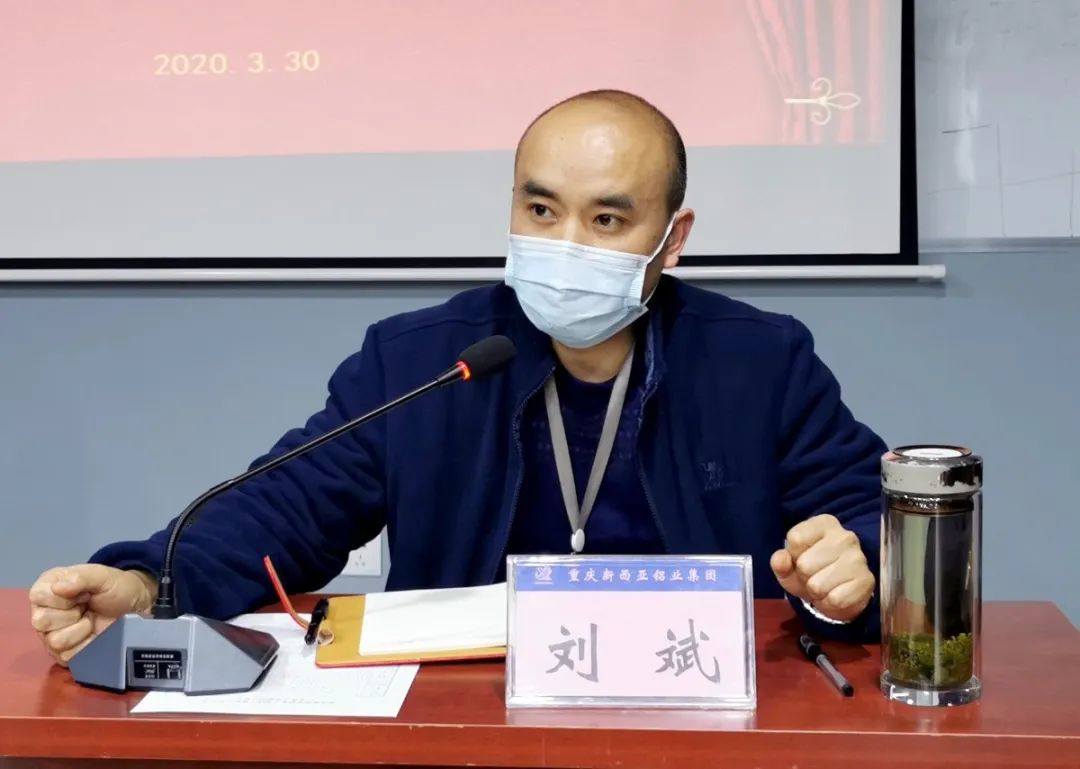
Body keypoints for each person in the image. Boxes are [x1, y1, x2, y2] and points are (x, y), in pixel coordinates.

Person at [29, 90, 885, 666]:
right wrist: (148, 583)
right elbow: (285, 506)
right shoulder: (423, 359)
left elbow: (870, 522)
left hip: (697, 704)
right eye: (540, 210)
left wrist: (858, 572)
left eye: (607, 219)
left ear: (675, 237)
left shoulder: (759, 361)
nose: (565, 244)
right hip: (469, 710)